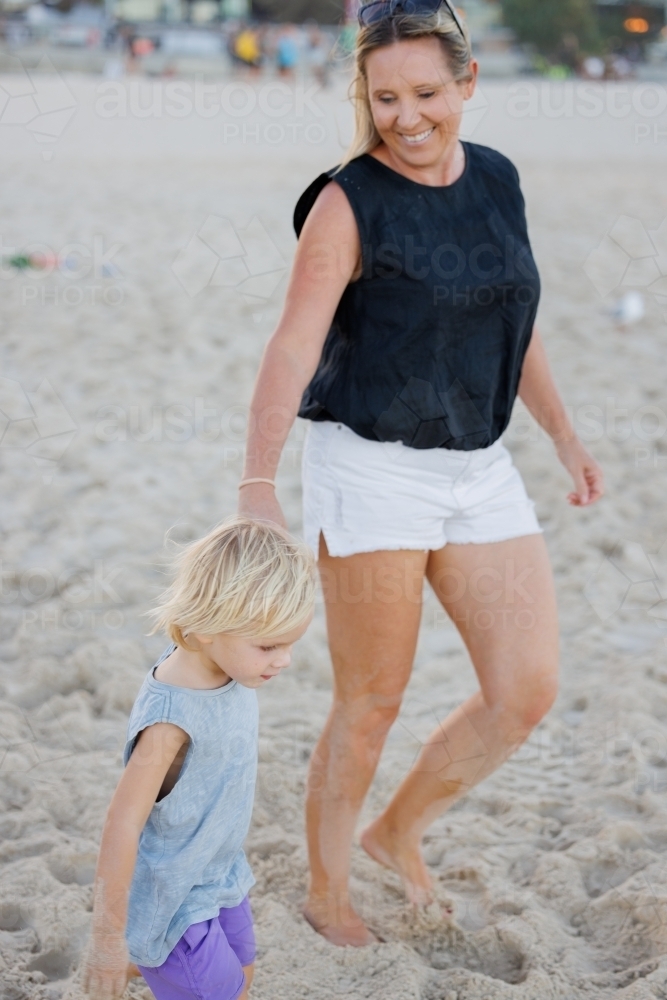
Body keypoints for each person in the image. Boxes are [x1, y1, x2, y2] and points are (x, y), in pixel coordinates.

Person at [239, 0, 604, 948]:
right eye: (385, 96)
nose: (407, 116)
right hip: (372, 468)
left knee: (523, 688)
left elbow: (509, 322)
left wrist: (563, 436)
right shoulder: (346, 200)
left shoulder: (497, 179)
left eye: (427, 93)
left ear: (466, 84)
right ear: (363, 96)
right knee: (371, 701)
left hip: (478, 466)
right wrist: (256, 482)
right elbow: (291, 346)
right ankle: (326, 891)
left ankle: (394, 830)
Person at [82, 517, 315, 1000]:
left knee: (243, 971)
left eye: (291, 643)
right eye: (270, 645)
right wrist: (106, 940)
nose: (284, 661)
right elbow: (121, 825)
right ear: (208, 627)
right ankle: (142, 952)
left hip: (220, 869)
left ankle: (150, 966)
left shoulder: (230, 664)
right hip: (173, 899)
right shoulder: (170, 724)